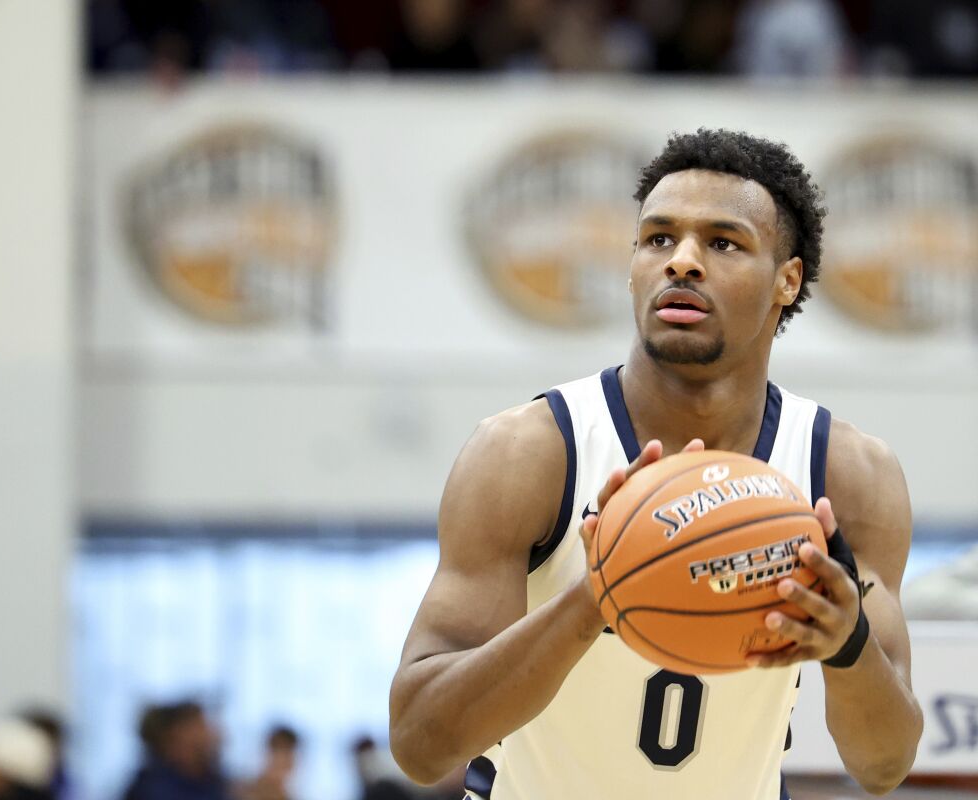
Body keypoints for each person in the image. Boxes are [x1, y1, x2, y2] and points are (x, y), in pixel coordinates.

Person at [388, 129, 923, 799]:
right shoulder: (529, 453)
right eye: (658, 239)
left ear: (788, 279)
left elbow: (884, 764)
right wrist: (593, 599)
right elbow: (419, 743)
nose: (683, 262)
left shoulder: (848, 474)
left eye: (723, 243)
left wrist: (848, 644)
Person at [123, 702, 227, 800]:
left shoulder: (210, 781)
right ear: (176, 737)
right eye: (201, 727)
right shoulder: (151, 788)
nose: (212, 734)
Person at [236, 726, 298, 800]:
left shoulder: (287, 796)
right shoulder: (241, 792)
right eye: (277, 750)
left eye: (288, 754)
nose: (281, 760)